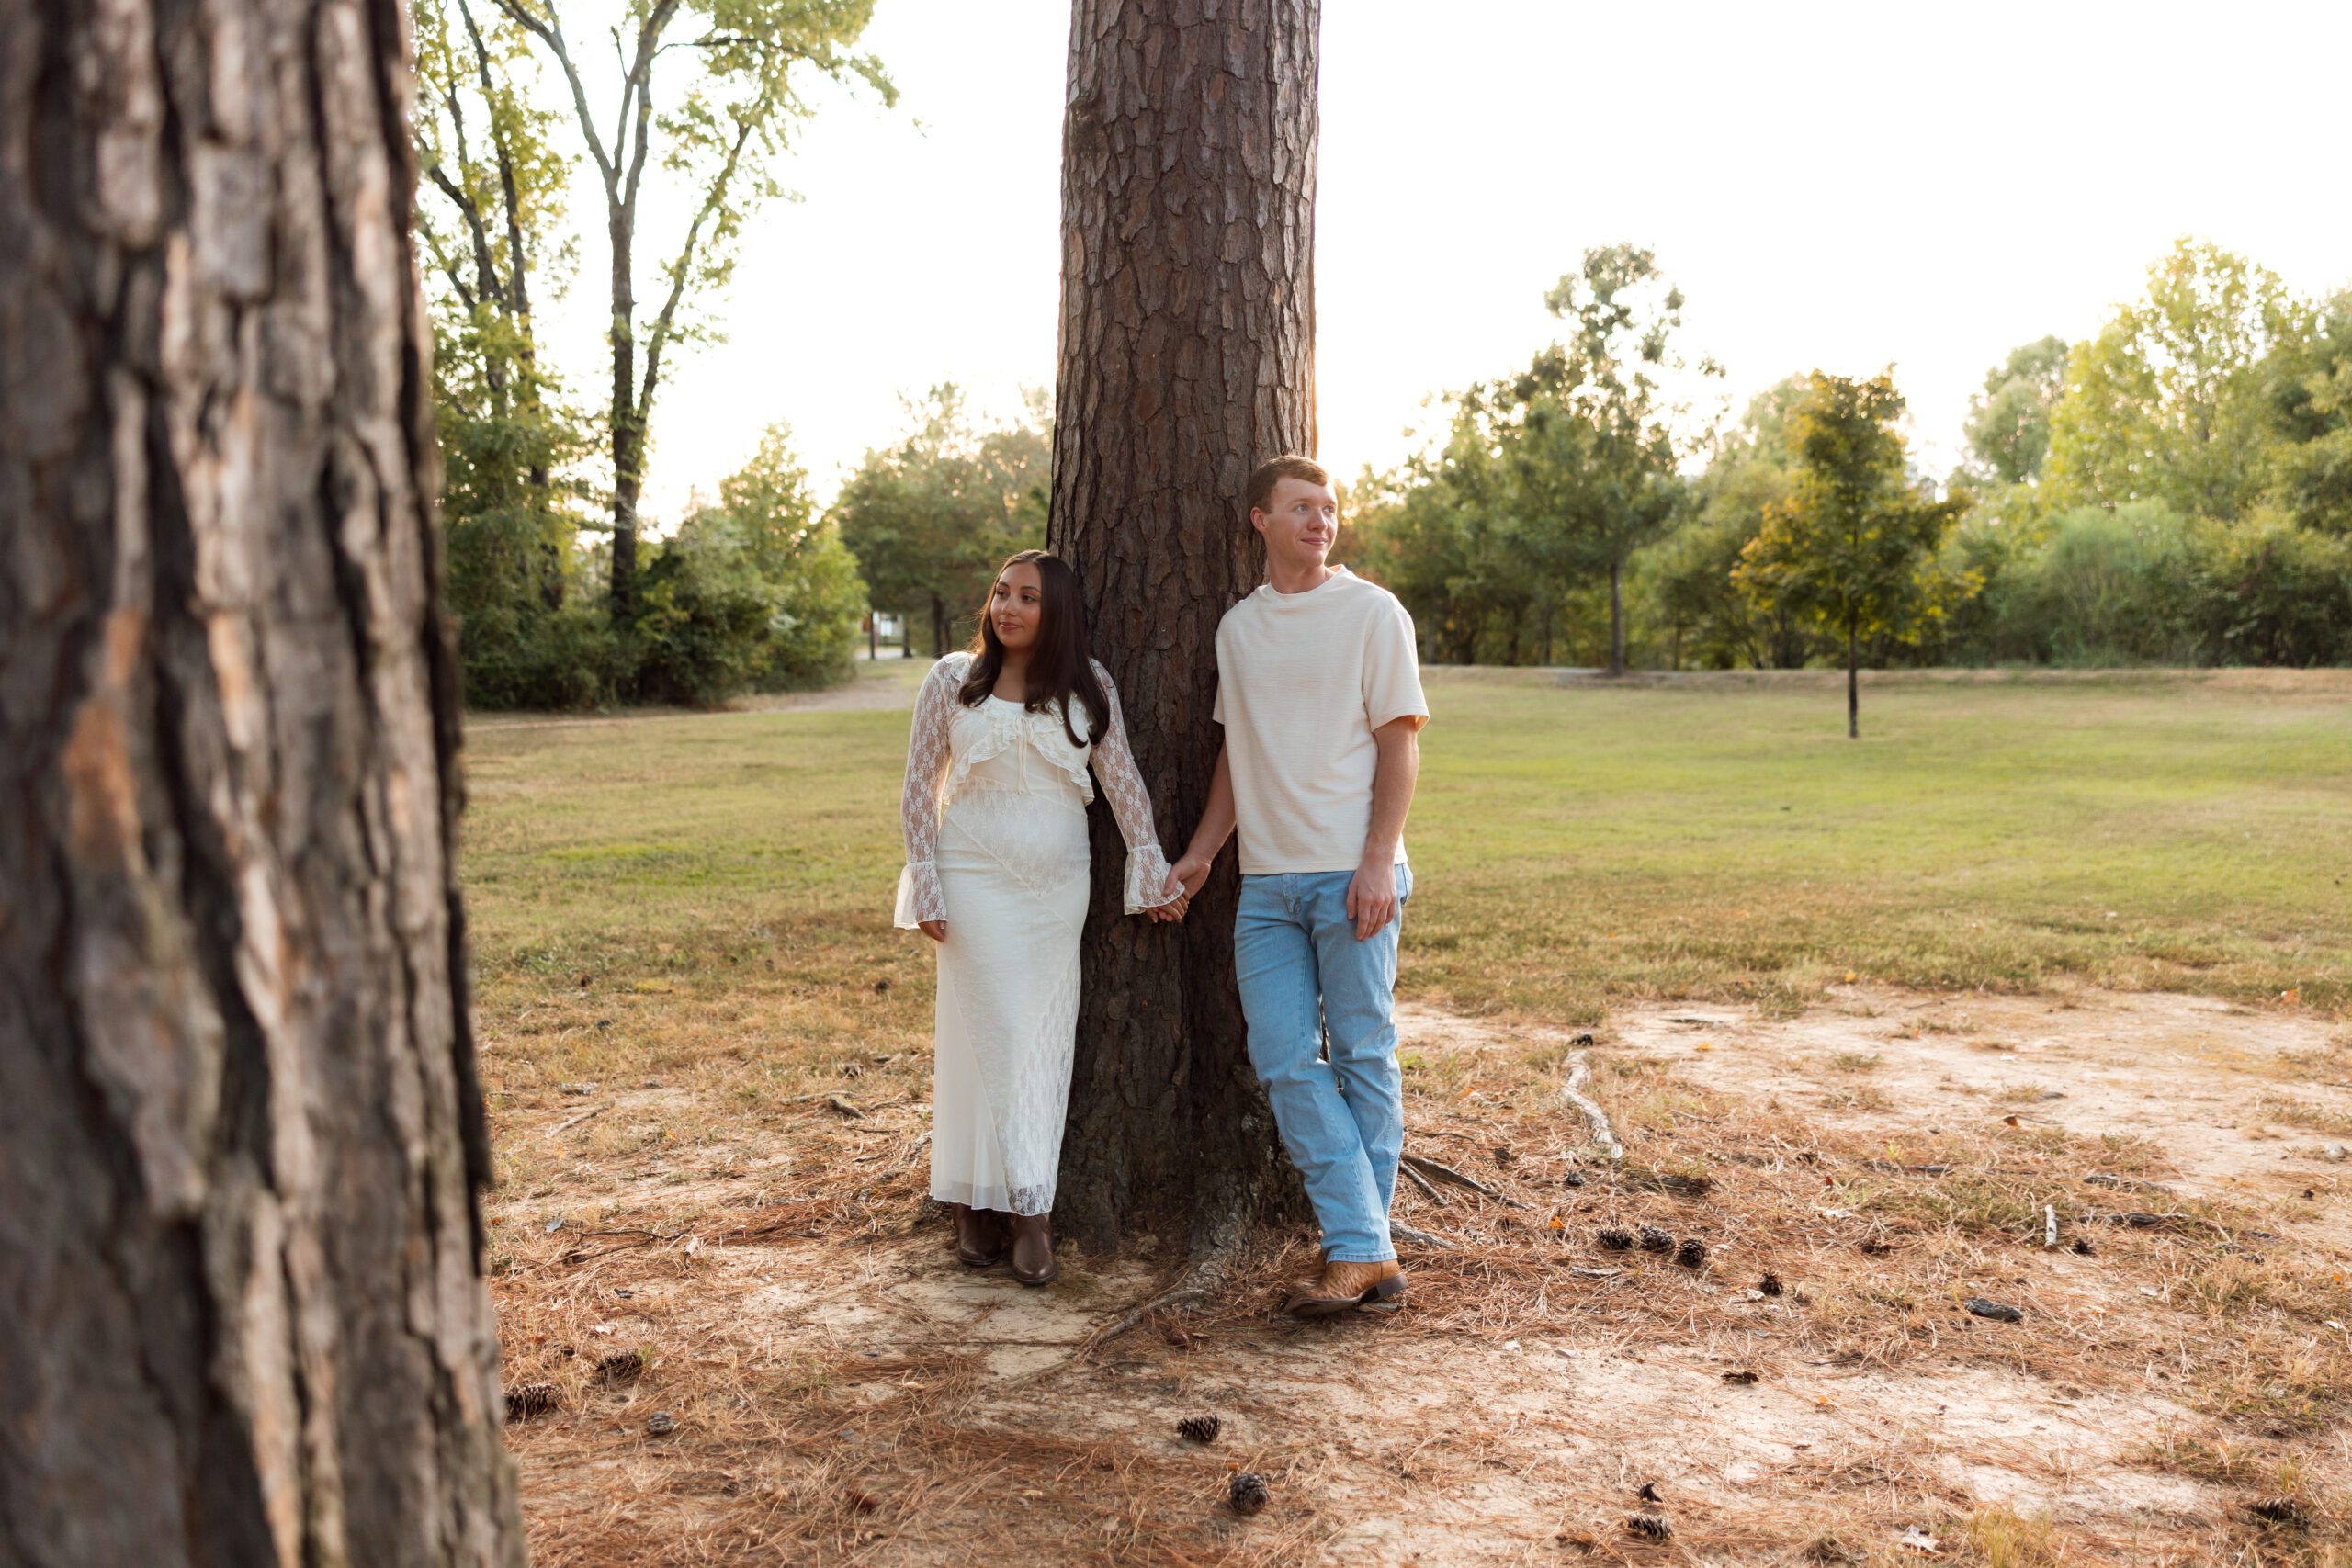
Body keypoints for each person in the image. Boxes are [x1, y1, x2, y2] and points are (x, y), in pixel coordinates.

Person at [1167, 455, 1430, 1317]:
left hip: (1354, 874)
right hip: (1265, 886)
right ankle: (1372, 1249)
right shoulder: (1237, 630)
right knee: (1283, 1062)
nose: (1321, 521)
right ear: (1260, 520)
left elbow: (1399, 743)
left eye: (1330, 508)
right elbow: (1237, 762)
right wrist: (1204, 853)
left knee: (1361, 1055)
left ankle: (1358, 1250)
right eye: (1302, 508)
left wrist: (1376, 860)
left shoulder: (1372, 612)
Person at [896, 549, 1187, 1285]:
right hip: (972, 879)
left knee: (1040, 1037)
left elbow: (1124, 786)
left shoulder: (1089, 687)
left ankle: (1032, 1209)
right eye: (1001, 592)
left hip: (1056, 889)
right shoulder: (950, 682)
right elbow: (916, 789)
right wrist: (925, 879)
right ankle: (972, 1201)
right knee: (977, 1034)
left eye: (1028, 597)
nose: (1009, 607)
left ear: (1056, 611)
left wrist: (1149, 868)